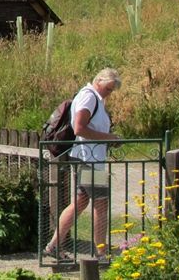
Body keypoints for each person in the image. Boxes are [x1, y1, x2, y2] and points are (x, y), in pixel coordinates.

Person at [44, 68, 122, 264]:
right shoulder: (89, 97)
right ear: (99, 81)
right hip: (90, 160)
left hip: (86, 158)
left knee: (80, 202)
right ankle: (101, 254)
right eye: (108, 89)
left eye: (111, 91)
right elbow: (80, 128)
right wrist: (109, 138)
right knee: (101, 204)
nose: (108, 93)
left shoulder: (91, 97)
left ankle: (53, 246)